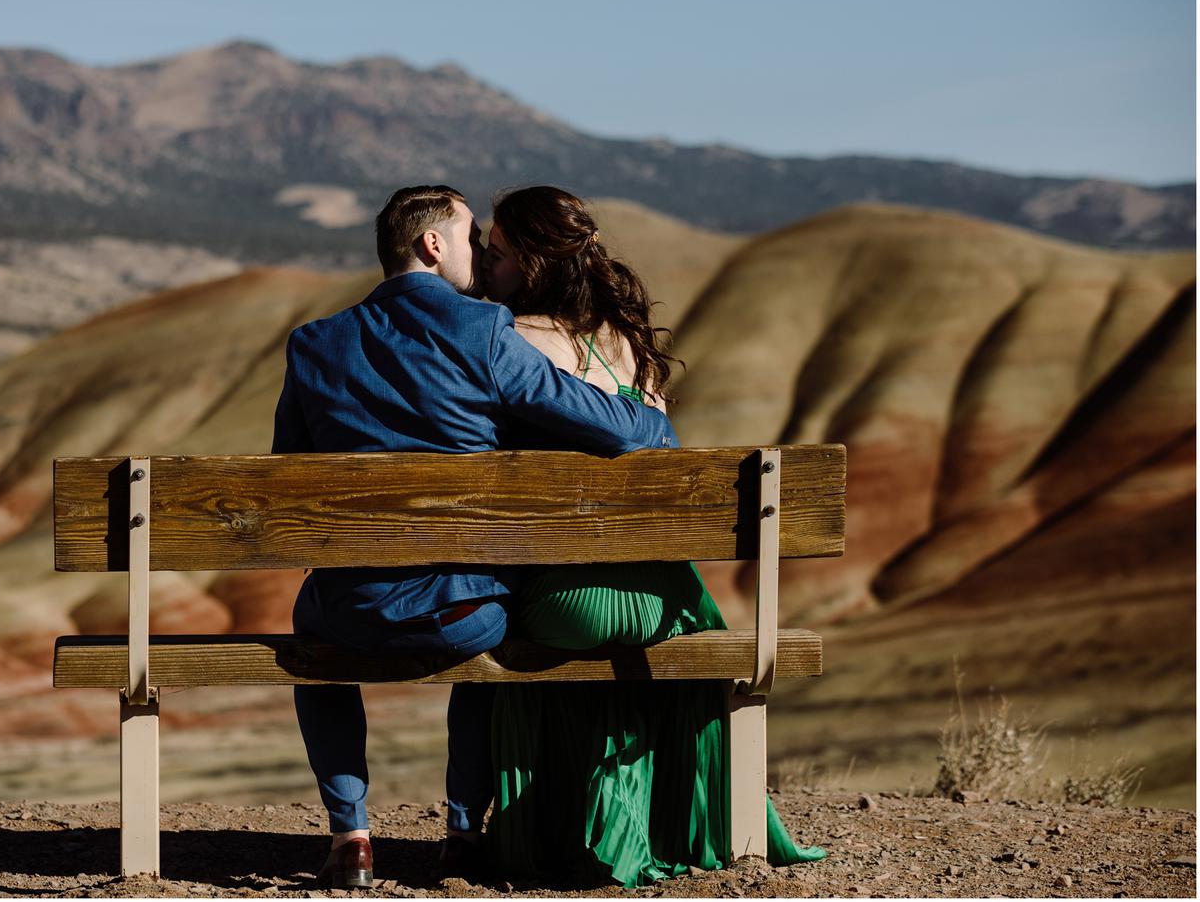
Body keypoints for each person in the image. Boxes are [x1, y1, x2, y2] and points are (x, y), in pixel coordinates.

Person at [271, 184, 677, 889]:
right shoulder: (485, 333)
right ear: (433, 245)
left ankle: (351, 835)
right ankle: (463, 833)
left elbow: (285, 480)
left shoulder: (314, 344)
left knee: (315, 641)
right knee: (489, 606)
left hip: (350, 613)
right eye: (470, 239)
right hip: (465, 614)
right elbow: (608, 426)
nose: (479, 255)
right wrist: (649, 414)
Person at [479, 185, 827, 887]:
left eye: (498, 254)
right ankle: (667, 824)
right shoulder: (627, 343)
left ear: (532, 262)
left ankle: (555, 831)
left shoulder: (506, 341)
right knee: (674, 626)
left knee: (517, 622)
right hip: (663, 602)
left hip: (564, 603)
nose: (488, 267)